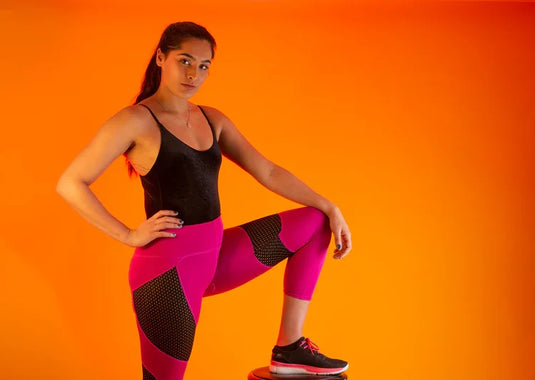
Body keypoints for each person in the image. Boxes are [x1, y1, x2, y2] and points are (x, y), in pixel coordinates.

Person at [56, 21, 352, 380]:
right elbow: (71, 182)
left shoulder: (213, 119)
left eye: (203, 65)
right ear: (161, 57)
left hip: (216, 256)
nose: (193, 73)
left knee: (315, 221)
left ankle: (289, 347)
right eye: (185, 61)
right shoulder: (134, 121)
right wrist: (128, 235)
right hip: (167, 274)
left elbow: (268, 172)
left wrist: (331, 206)